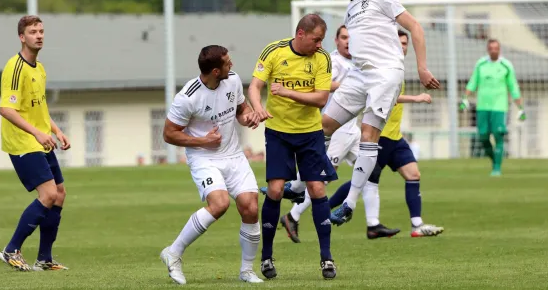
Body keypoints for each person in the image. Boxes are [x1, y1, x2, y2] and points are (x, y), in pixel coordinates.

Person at [322, 0, 440, 224]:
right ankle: (298, 185)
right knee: (323, 127)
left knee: (368, 133)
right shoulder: (350, 9)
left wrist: (422, 68)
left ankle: (349, 203)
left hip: (385, 74)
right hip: (359, 74)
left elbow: (415, 28)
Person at [261, 25, 398, 242]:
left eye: (350, 38)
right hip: (335, 128)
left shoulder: (359, 63)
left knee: (373, 169)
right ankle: (293, 213)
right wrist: (350, 85)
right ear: (335, 40)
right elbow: (320, 89)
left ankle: (373, 223)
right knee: (320, 178)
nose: (347, 42)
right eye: (343, 38)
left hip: (352, 127)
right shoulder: (330, 61)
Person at [160, 45, 263, 285]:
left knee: (250, 207)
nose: (232, 65)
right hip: (204, 158)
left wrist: (247, 118)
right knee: (220, 204)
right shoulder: (188, 97)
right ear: (216, 71)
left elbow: (241, 109)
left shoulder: (233, 80)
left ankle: (246, 270)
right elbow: (168, 134)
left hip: (234, 155)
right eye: (228, 62)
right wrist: (202, 141)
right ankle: (173, 253)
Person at [249, 14, 338, 280]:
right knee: (275, 190)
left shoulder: (322, 58)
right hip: (278, 132)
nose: (320, 44)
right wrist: (258, 108)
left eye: (321, 39)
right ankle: (266, 257)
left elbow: (321, 99)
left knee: (317, 188)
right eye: (316, 39)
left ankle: (327, 258)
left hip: (310, 133)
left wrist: (287, 92)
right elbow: (255, 86)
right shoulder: (274, 51)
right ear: (300, 34)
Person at [330, 30, 445, 237]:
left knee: (413, 174)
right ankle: (325, 210)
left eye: (405, 43)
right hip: (378, 135)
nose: (403, 47)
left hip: (395, 137)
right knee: (364, 180)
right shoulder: (381, 68)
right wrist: (416, 98)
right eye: (399, 42)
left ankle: (416, 224)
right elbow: (385, 97)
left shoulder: (397, 69)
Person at [0, 15, 70, 271]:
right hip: (22, 142)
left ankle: (44, 259)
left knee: (59, 195)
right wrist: (37, 134)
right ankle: (11, 250)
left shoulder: (39, 68)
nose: (38, 35)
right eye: (32, 32)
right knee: (48, 194)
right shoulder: (15, 68)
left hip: (41, 141)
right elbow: (7, 109)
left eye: (41, 31)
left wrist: (56, 130)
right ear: (22, 37)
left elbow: (38, 108)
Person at [460, 39, 525, 176]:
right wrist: (465, 98)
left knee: (498, 135)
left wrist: (520, 108)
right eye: (491, 48)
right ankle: (495, 160)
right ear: (488, 49)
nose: (494, 50)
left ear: (499, 49)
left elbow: (513, 87)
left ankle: (497, 168)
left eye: (496, 48)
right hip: (482, 106)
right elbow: (473, 82)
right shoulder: (481, 64)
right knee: (483, 137)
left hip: (499, 107)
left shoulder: (506, 65)